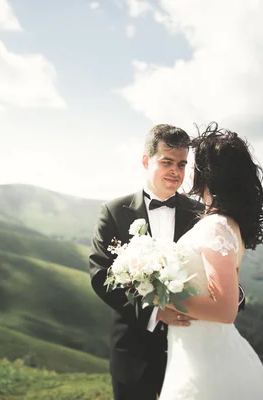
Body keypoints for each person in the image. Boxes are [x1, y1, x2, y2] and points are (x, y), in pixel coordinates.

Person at [158, 122, 263, 400]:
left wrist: (164, 301)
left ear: (206, 172)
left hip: (206, 359)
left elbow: (226, 310)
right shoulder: (226, 222)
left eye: (193, 163)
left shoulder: (216, 226)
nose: (188, 169)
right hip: (195, 347)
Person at [89, 124, 205, 400]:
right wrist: (155, 312)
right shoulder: (114, 211)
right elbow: (99, 274)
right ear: (146, 160)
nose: (175, 171)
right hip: (132, 352)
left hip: (188, 350)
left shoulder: (200, 214)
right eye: (167, 162)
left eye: (181, 164)